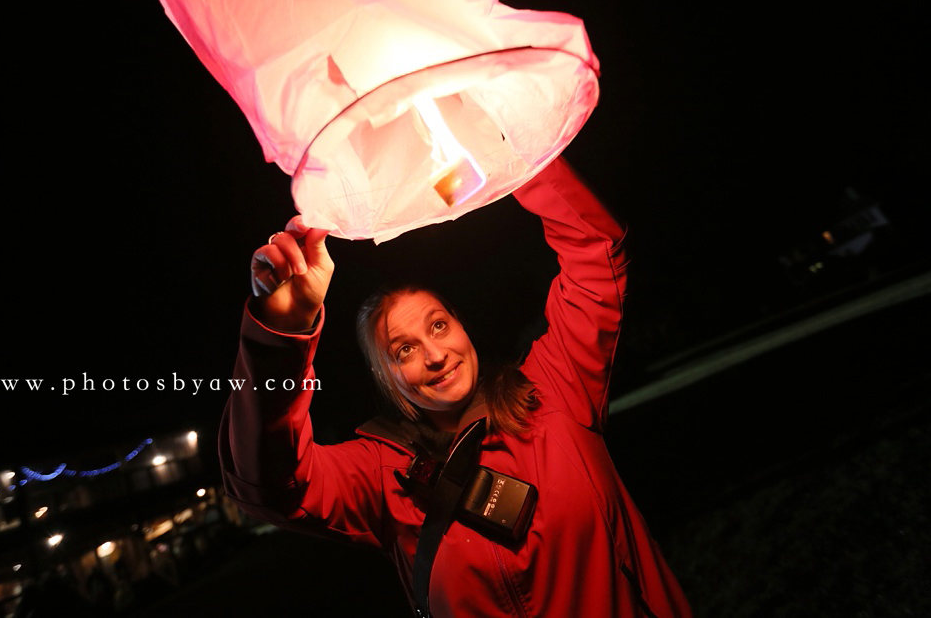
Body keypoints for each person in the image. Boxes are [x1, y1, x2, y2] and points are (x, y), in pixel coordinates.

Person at [219, 157, 692, 617]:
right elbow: (269, 486)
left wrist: (513, 153)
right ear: (386, 379)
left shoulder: (553, 390)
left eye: (439, 326)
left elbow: (596, 254)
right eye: (403, 350)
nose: (435, 354)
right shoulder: (384, 478)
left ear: (462, 328)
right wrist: (281, 334)